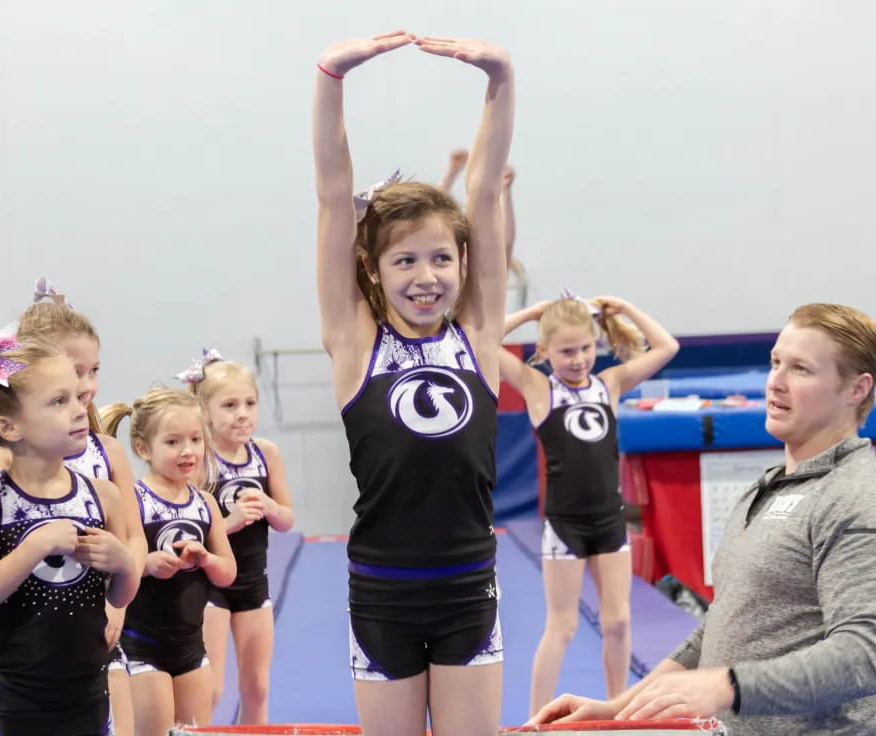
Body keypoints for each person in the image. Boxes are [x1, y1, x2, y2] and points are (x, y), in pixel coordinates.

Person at [529, 303, 876, 735]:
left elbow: (864, 655)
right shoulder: (766, 489)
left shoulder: (857, 495)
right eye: (775, 362)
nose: (776, 382)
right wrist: (619, 708)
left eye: (801, 369)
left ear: (857, 389)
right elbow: (720, 624)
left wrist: (729, 685)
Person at [313, 29, 514, 736]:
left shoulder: (479, 335)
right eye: (403, 262)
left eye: (440, 259)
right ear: (372, 270)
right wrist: (331, 79)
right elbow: (336, 201)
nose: (425, 277)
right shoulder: (355, 343)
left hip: (468, 590)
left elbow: (486, 190)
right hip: (382, 595)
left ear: (463, 262)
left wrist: (501, 78)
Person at [0, 324, 139, 735]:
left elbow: (120, 595)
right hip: (13, 709)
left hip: (88, 701)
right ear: (8, 427)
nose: (79, 408)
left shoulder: (102, 497)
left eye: (77, 396)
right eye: (58, 401)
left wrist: (124, 562)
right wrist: (32, 547)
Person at [500, 294, 678, 713]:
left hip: (609, 520)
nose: (578, 359)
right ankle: (536, 718)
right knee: (561, 626)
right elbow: (478, 341)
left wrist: (627, 309)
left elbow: (668, 347)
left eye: (585, 348)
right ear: (544, 351)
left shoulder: (609, 383)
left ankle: (616, 709)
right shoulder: (538, 386)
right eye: (566, 351)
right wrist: (531, 314)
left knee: (618, 622)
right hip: (565, 525)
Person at [102, 388, 236, 736]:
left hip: (191, 648)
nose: (188, 451)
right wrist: (146, 564)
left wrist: (206, 558)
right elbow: (113, 568)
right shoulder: (133, 499)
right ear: (143, 449)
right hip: (142, 647)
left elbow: (227, 573)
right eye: (173, 442)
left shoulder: (205, 503)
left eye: (195, 439)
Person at [179, 350, 295, 723]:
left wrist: (269, 507)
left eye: (250, 403)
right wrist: (228, 522)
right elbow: (186, 526)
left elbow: (286, 519)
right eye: (229, 405)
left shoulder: (266, 454)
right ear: (205, 412)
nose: (242, 413)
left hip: (253, 583)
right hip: (210, 584)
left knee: (257, 687)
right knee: (210, 689)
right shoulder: (200, 459)